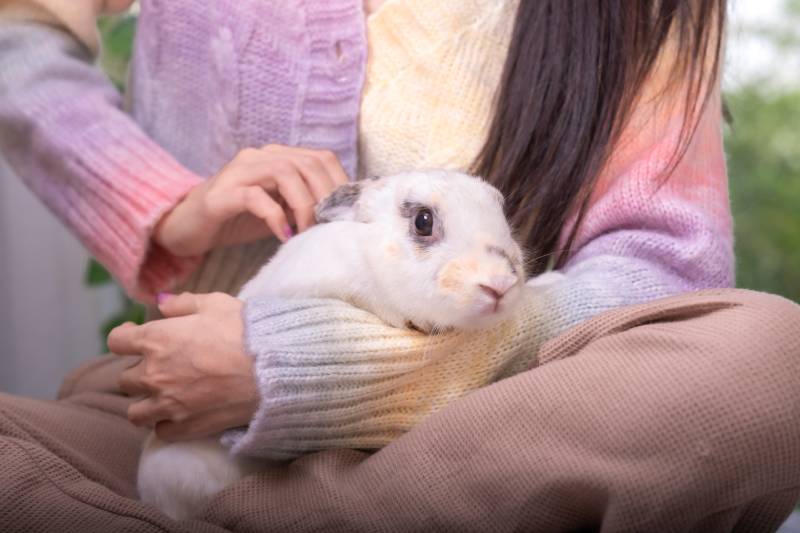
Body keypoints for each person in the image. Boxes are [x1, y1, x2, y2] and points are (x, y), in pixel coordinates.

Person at [0, 0, 799, 531]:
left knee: (772, 369)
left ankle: (254, 518)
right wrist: (161, 200)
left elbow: (662, 266)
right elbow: (15, 34)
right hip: (193, 423)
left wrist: (314, 371)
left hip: (487, 429)